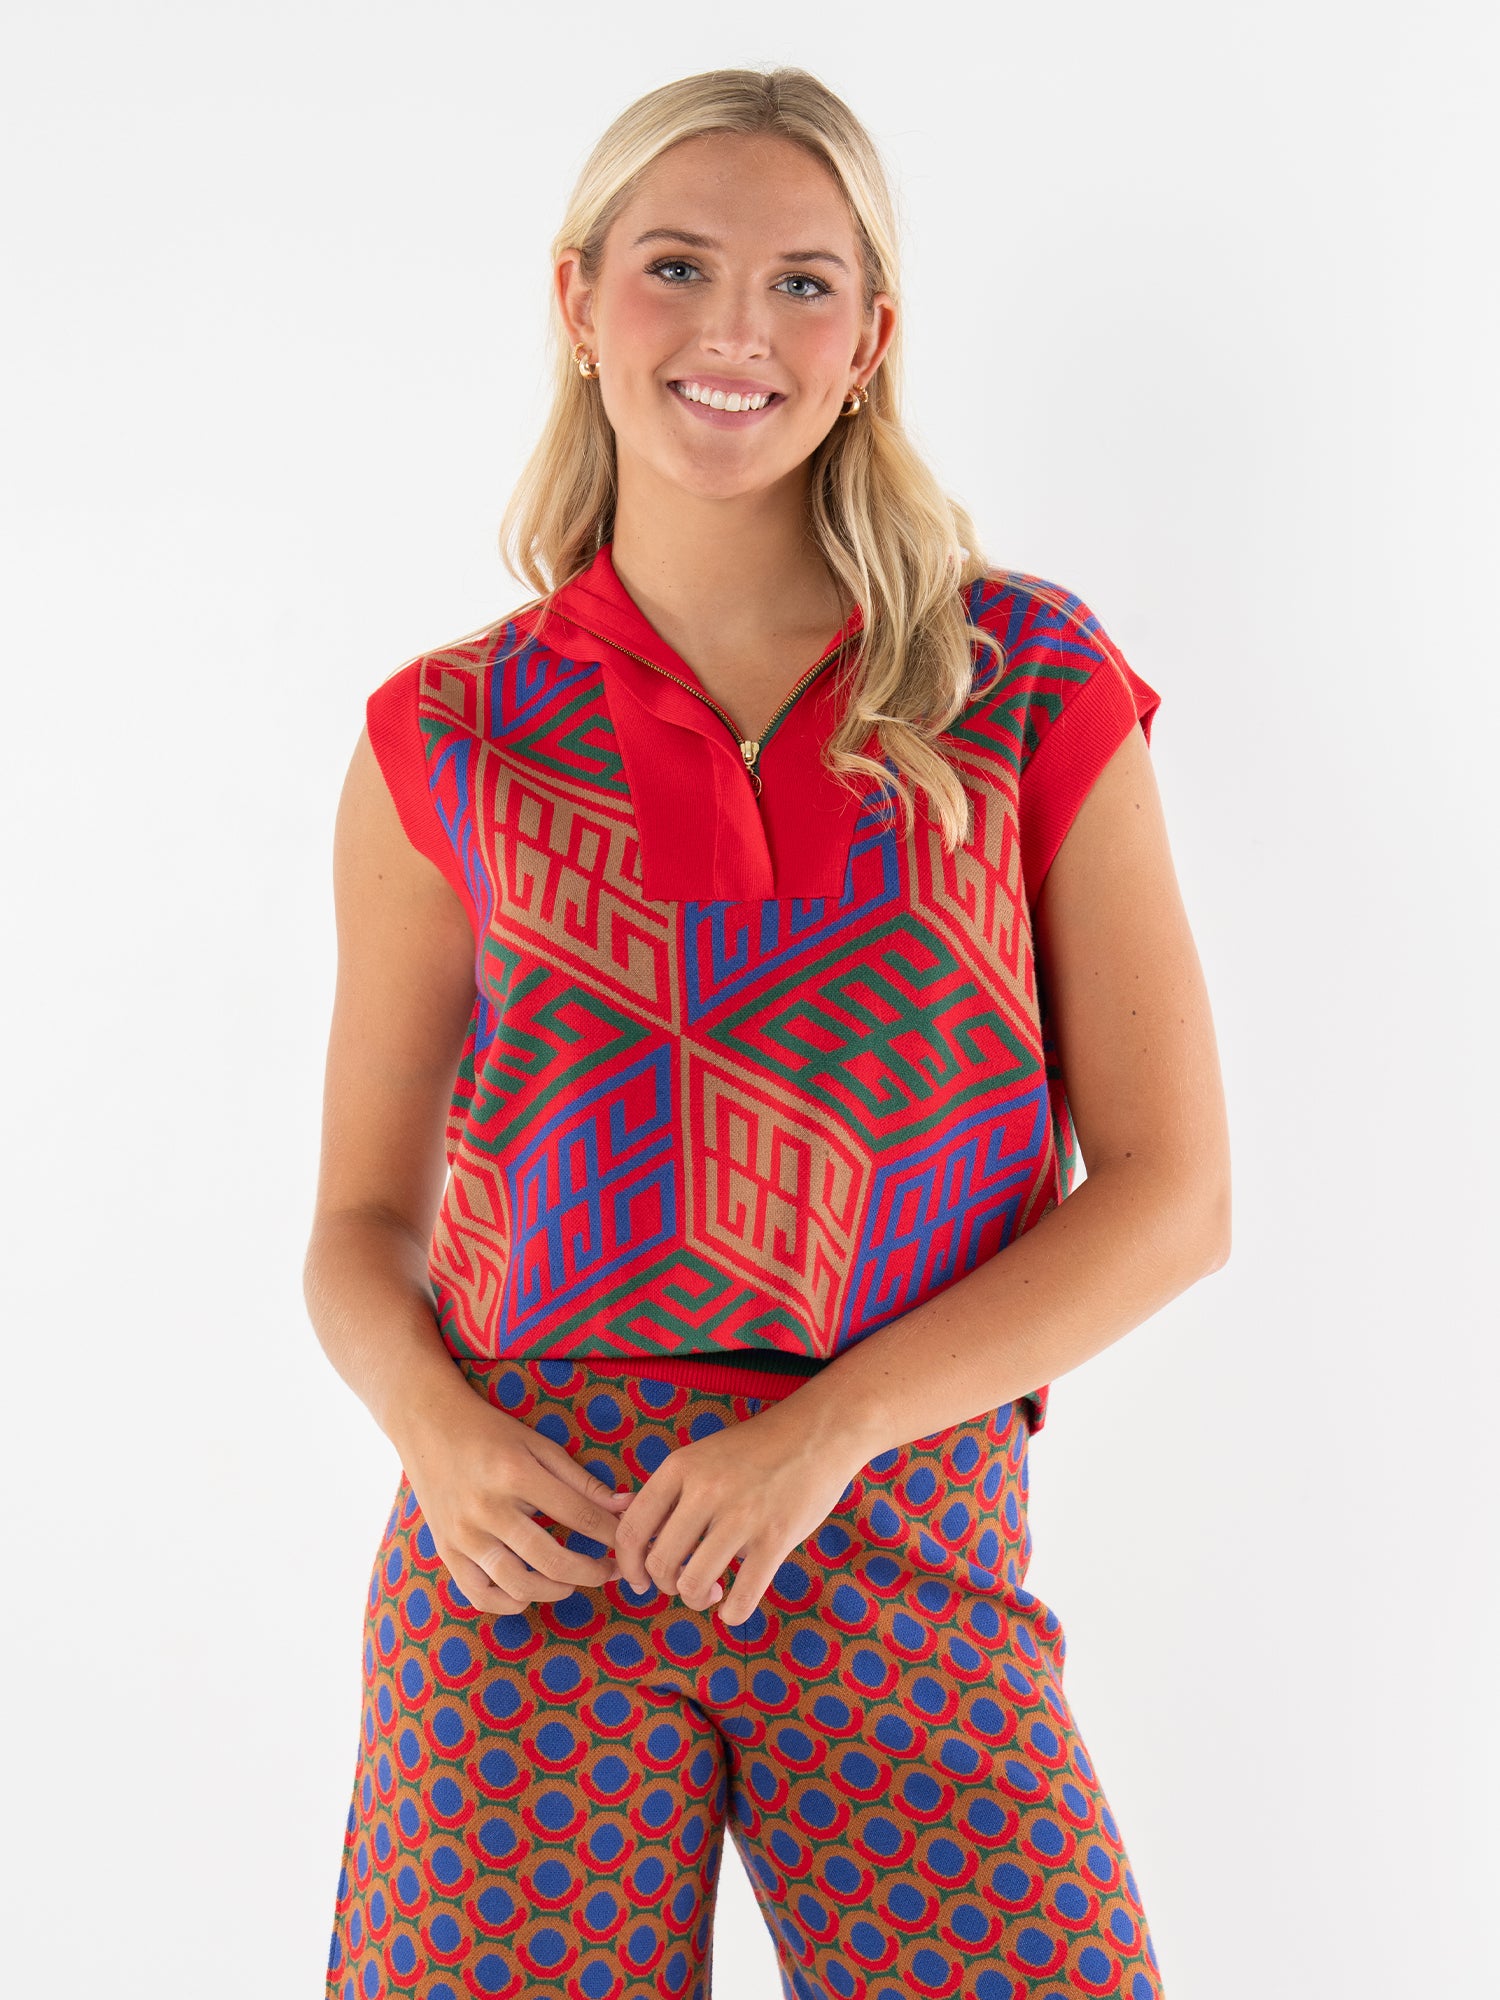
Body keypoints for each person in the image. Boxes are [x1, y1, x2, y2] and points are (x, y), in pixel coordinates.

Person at [305, 63, 1230, 2000]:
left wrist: (831, 1430)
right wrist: (438, 1437)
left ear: (874, 341)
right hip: (525, 1560)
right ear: (576, 299)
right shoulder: (444, 739)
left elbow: (1170, 1192)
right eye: (677, 265)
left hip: (895, 1518)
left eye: (806, 284)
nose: (737, 329)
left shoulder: (1023, 680)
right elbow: (357, 1232)